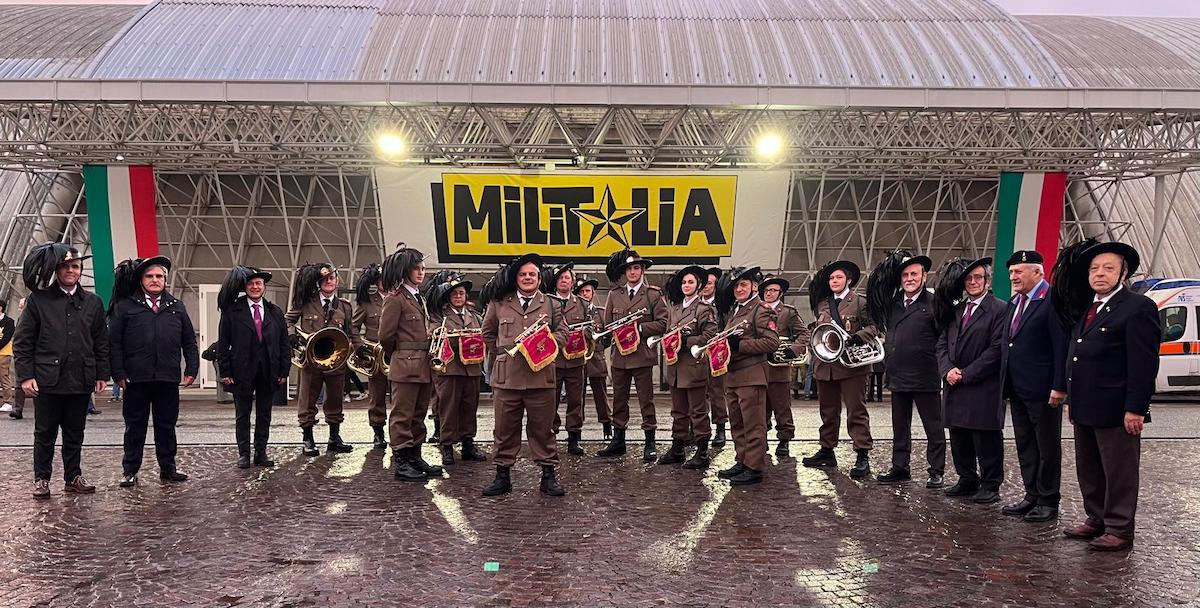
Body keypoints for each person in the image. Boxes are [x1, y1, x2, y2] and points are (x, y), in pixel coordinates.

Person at [1055, 240, 1160, 551]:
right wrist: (1071, 399)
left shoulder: (1138, 307)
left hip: (1116, 408)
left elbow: (1143, 364)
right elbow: (1076, 356)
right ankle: (1097, 517)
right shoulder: (1088, 308)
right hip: (1085, 405)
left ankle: (1119, 527)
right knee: (1089, 468)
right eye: (1094, 269)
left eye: (1108, 268)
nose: (1099, 274)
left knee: (1119, 471)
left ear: (1123, 273)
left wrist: (1136, 408)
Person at [13, 243, 110, 498]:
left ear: (81, 270)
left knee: (75, 432)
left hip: (80, 378)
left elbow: (101, 340)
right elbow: (23, 342)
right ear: (57, 270)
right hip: (47, 380)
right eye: (65, 266)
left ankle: (73, 476)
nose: (71, 270)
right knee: (44, 432)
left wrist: (102, 373)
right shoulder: (39, 300)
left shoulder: (93, 302)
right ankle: (42, 479)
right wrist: (25, 376)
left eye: (75, 266)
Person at [480, 254, 569, 496]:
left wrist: (543, 344)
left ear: (539, 278)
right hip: (507, 379)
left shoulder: (551, 304)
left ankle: (548, 476)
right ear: (516, 278)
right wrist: (504, 355)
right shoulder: (500, 302)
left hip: (540, 378)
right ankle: (502, 476)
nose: (527, 278)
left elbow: (563, 333)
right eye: (523, 274)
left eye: (532, 274)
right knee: (504, 429)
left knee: (543, 429)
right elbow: (488, 333)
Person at [108, 256, 199, 487]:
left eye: (159, 276)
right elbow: (114, 343)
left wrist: (192, 367)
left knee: (166, 425)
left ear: (165, 280)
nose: (155, 280)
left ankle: (168, 468)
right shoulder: (125, 307)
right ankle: (130, 470)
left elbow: (189, 341)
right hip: (135, 379)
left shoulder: (177, 307)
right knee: (134, 426)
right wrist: (118, 373)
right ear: (141, 280)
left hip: (167, 377)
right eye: (149, 276)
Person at [1000, 250, 1068, 522]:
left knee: (1046, 447)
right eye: (1011, 272)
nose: (1013, 277)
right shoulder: (1014, 302)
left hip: (1043, 391)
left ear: (1038, 272)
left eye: (1018, 272)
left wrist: (1059, 386)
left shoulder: (1052, 301)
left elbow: (1060, 345)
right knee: (1026, 445)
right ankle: (1032, 495)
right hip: (1018, 389)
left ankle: (1048, 500)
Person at [868, 252, 946, 488]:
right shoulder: (893, 304)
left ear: (924, 276)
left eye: (914, 274)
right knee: (899, 426)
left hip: (925, 374)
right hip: (898, 374)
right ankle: (900, 466)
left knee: (933, 426)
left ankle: (936, 470)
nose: (910, 278)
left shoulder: (935, 303)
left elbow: (943, 339)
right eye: (905, 275)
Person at [935, 258, 1007, 505]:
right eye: (969, 278)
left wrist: (966, 374)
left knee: (985, 437)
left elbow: (996, 350)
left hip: (983, 385)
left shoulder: (1000, 309)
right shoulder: (956, 311)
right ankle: (966, 478)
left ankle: (990, 484)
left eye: (978, 277)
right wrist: (947, 370)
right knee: (959, 435)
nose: (973, 282)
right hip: (954, 384)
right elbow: (942, 344)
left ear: (988, 281)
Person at [801, 260, 878, 479]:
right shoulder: (823, 304)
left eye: (839, 277)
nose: (834, 281)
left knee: (856, 411)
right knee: (828, 411)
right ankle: (827, 450)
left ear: (849, 280)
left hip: (852, 365)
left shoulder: (860, 302)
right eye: (831, 278)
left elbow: (874, 326)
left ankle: (862, 454)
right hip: (826, 365)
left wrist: (858, 337)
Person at [597, 249, 669, 462]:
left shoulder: (652, 294)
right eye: (629, 269)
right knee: (619, 400)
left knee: (646, 400)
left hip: (642, 355)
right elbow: (608, 324)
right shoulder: (614, 295)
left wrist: (639, 329)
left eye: (636, 268)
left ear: (643, 270)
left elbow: (663, 323)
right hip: (620, 355)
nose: (632, 272)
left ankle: (650, 441)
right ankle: (618, 440)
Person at [379, 244, 443, 481]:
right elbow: (386, 336)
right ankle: (402, 461)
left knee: (418, 414)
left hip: (423, 365)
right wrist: (400, 355)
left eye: (423, 268)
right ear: (405, 271)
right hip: (405, 366)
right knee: (402, 415)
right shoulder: (395, 299)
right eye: (416, 268)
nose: (421, 273)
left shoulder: (417, 297)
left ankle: (415, 457)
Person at [217, 266, 290, 468]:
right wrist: (225, 371)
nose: (255, 287)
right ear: (245, 287)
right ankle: (244, 453)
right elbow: (223, 343)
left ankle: (261, 452)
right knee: (243, 414)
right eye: (251, 284)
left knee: (264, 414)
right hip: (241, 371)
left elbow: (284, 343)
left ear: (264, 286)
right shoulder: (232, 311)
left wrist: (284, 370)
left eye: (259, 283)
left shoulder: (275, 312)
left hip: (269, 370)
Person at [713, 266, 780, 485]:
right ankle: (742, 460)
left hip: (752, 374)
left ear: (754, 286)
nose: (739, 289)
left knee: (753, 424)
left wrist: (740, 345)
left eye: (743, 284)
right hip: (733, 375)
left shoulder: (761, 309)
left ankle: (754, 467)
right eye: (736, 286)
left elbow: (771, 342)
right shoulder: (736, 310)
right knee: (738, 423)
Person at [285, 263, 360, 456]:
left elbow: (351, 331)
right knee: (307, 400)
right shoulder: (306, 302)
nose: (329, 282)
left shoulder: (344, 306)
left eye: (332, 278)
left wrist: (359, 349)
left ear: (337, 281)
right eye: (325, 279)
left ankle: (334, 438)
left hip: (335, 360)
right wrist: (291, 335)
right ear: (318, 282)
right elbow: (287, 320)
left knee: (335, 400)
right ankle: (307, 438)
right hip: (312, 362)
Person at [655, 266, 718, 469]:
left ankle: (702, 451)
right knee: (678, 411)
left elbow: (710, 336)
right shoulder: (674, 309)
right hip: (675, 366)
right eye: (684, 282)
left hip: (693, 366)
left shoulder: (704, 309)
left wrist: (686, 340)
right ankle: (678, 447)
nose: (686, 286)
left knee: (698, 411)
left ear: (698, 285)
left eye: (690, 282)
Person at [428, 274, 487, 465]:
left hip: (472, 369)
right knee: (448, 408)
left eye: (461, 293)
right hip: (450, 369)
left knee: (469, 407)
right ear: (448, 297)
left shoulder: (475, 316)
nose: (458, 296)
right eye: (454, 293)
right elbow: (434, 334)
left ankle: (468, 444)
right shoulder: (439, 316)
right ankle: (447, 445)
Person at [758, 275, 810, 457]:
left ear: (780, 293)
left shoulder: (788, 312)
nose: (769, 293)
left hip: (779, 369)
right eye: (766, 290)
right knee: (759, 408)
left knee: (782, 407)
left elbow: (804, 334)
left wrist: (794, 349)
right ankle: (761, 438)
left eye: (773, 290)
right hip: (758, 367)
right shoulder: (756, 310)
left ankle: (784, 440)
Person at [545, 263, 590, 456]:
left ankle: (574, 437)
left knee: (575, 400)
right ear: (555, 281)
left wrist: (582, 334)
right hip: (552, 360)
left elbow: (592, 327)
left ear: (572, 282)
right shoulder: (547, 302)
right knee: (550, 400)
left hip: (575, 360)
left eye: (567, 278)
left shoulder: (582, 303)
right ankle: (551, 434)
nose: (564, 281)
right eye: (561, 278)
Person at [351, 263, 390, 450]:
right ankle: (378, 432)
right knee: (377, 395)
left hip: (398, 354)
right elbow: (353, 326)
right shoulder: (367, 303)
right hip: (376, 356)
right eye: (382, 279)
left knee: (402, 396)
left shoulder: (400, 299)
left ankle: (399, 431)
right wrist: (360, 346)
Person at [574, 277, 613, 440]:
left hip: (596, 358)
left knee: (601, 395)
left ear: (593, 293)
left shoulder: (601, 312)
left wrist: (598, 347)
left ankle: (607, 426)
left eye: (587, 291)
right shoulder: (574, 313)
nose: (585, 294)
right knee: (577, 396)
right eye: (582, 292)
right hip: (577, 358)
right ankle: (576, 430)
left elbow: (608, 336)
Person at [699, 267, 729, 448]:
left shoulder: (723, 306)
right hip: (697, 355)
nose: (706, 286)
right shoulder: (694, 304)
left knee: (717, 392)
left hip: (716, 354)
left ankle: (720, 428)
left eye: (709, 283)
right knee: (697, 394)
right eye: (703, 283)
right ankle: (697, 428)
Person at [8, 298, 26, 420]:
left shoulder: (39, 316)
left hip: (37, 353)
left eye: (21, 305)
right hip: (22, 353)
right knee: (19, 382)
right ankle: (18, 409)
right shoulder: (21, 318)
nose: (19, 307)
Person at [0, 301, 14, 413]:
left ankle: (7, 402)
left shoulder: (9, 321)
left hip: (4, 353)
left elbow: (6, 338)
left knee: (4, 376)